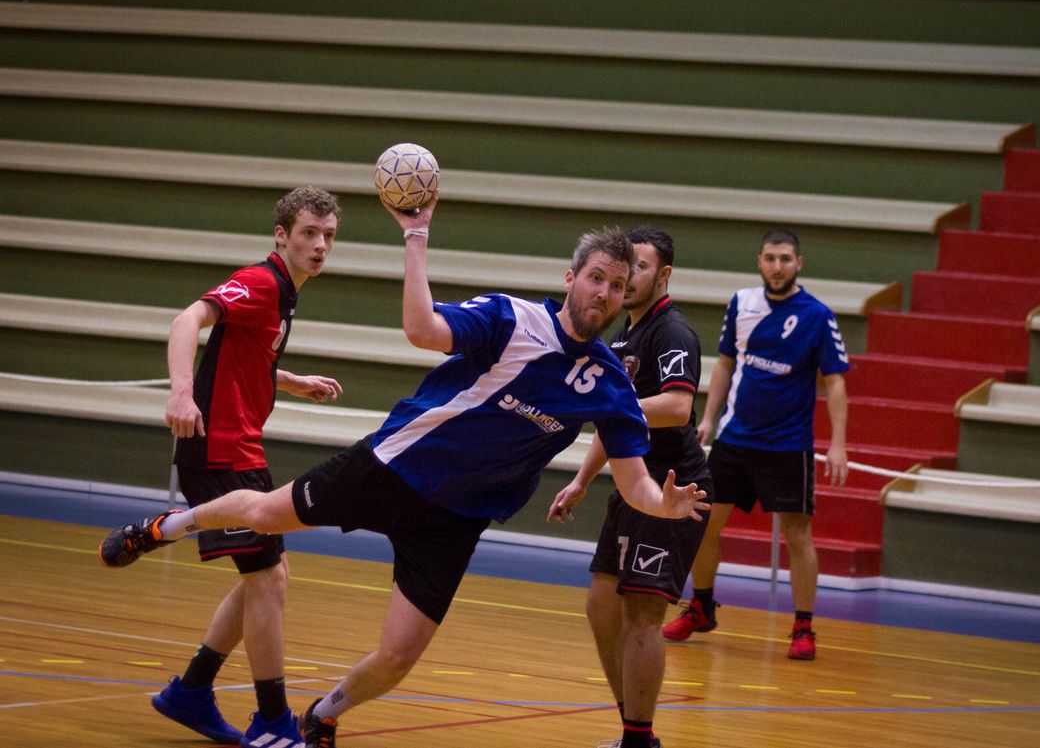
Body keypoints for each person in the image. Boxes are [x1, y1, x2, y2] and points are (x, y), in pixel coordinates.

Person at [100, 194, 709, 748]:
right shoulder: (512, 319)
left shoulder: (609, 383)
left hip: (454, 523)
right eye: (596, 278)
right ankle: (164, 528)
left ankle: (322, 716)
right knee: (261, 514)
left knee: (397, 657)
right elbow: (422, 329)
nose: (605, 293)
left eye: (617, 285)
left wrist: (664, 505)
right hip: (391, 467)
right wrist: (416, 235)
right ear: (571, 278)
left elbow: (634, 483)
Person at [126, 186, 343, 747]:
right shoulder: (262, 281)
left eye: (328, 236)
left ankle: (192, 691)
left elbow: (247, 353)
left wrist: (291, 381)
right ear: (281, 235)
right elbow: (188, 320)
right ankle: (272, 722)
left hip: (242, 448)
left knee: (267, 576)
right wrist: (180, 392)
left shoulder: (285, 293)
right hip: (217, 449)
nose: (320, 245)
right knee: (267, 578)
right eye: (309, 234)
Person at [548, 226, 712, 748]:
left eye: (640, 266)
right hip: (632, 486)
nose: (630, 276)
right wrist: (581, 480)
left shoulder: (672, 332)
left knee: (642, 613)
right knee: (601, 605)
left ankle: (638, 739)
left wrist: (612, 405)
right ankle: (633, 728)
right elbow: (614, 425)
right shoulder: (620, 339)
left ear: (664, 275)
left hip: (674, 488)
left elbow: (678, 407)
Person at [661, 228, 849, 661]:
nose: (777, 266)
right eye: (770, 258)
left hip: (789, 445)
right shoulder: (741, 303)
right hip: (736, 439)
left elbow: (836, 382)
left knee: (798, 535)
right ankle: (701, 607)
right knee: (703, 521)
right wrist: (708, 418)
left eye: (785, 258)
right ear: (760, 262)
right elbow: (725, 365)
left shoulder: (818, 315)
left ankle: (803, 626)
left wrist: (838, 443)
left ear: (798, 263)